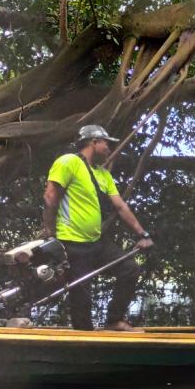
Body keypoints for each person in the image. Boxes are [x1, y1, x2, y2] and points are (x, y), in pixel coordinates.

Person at [41, 124, 154, 331]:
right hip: (72, 242)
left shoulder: (102, 174)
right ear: (93, 142)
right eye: (106, 144)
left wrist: (142, 233)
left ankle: (114, 320)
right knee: (81, 296)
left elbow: (120, 206)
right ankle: (84, 340)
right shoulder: (69, 162)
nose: (109, 149)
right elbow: (50, 197)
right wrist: (50, 232)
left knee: (129, 269)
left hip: (96, 242)